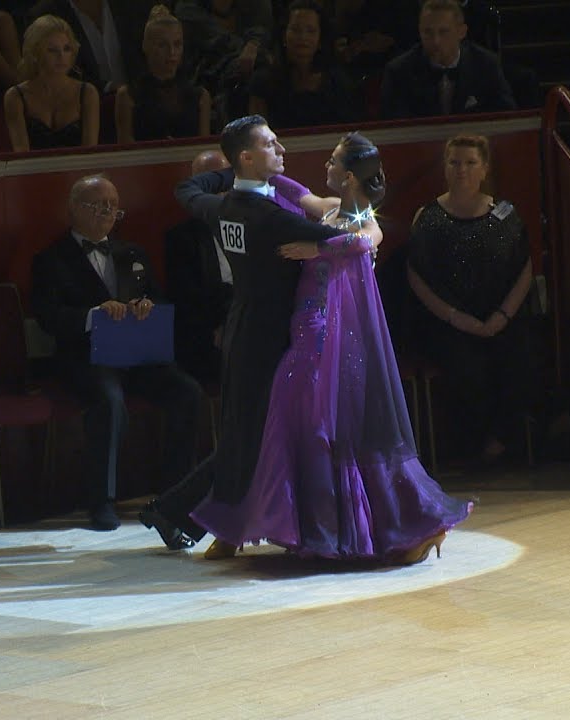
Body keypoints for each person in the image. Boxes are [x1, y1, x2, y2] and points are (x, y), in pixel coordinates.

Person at [192, 132, 472, 562]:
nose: (325, 166)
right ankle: (319, 528)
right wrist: (245, 167)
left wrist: (318, 247)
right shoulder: (325, 207)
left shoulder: (365, 220)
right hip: (306, 327)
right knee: (307, 421)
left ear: (349, 176)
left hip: (331, 334)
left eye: (333, 161)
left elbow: (367, 240)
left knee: (316, 420)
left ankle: (402, 525)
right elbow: (288, 189)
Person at [138, 114, 344, 552]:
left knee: (248, 436)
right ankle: (177, 511)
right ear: (248, 157)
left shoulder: (224, 207)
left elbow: (187, 189)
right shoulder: (269, 217)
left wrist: (237, 170)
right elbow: (344, 238)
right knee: (250, 439)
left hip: (244, 328)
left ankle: (179, 513)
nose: (282, 150)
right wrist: (366, 223)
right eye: (270, 144)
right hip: (268, 337)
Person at [31, 174, 204, 531]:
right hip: (88, 357)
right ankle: (101, 500)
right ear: (74, 209)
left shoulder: (132, 252)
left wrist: (146, 306)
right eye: (99, 206)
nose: (108, 213)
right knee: (109, 401)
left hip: (137, 354)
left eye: (113, 207)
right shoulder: (51, 259)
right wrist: (94, 315)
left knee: (187, 392)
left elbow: (160, 298)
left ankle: (176, 493)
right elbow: (49, 317)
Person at [407, 134, 539, 464]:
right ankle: (474, 445)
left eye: (470, 163)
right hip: (448, 322)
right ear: (445, 167)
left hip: (500, 317)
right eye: (454, 162)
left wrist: (502, 317)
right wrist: (457, 318)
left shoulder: (505, 213)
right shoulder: (428, 217)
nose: (461, 170)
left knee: (521, 356)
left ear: (485, 168)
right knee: (467, 368)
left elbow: (524, 268)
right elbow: (417, 276)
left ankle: (504, 440)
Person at [378, 0, 515, 119]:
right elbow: (393, 128)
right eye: (427, 32)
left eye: (443, 32)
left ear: (462, 32)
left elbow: (506, 117)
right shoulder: (398, 72)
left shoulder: (486, 65)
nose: (436, 41)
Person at [165, 150, 233, 386]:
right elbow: (187, 298)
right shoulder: (181, 238)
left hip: (248, 322)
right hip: (207, 332)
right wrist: (221, 325)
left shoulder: (252, 225)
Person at [246, 0, 360, 129]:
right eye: (295, 30)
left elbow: (348, 130)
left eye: (311, 31)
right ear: (284, 35)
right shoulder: (262, 81)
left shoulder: (338, 82)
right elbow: (257, 133)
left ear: (320, 39)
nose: (302, 37)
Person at [115, 5, 211, 143]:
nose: (172, 52)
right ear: (146, 46)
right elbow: (126, 149)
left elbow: (203, 148)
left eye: (177, 44)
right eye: (162, 45)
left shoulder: (200, 97)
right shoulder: (128, 96)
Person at [4, 14, 100, 151]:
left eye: (66, 49)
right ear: (35, 53)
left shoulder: (87, 93)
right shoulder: (16, 96)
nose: (61, 56)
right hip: (33, 165)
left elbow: (90, 151)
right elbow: (21, 153)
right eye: (52, 50)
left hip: (79, 165)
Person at [27, 0, 154, 91]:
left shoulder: (133, 4)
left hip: (142, 104)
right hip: (82, 109)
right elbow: (56, 74)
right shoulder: (46, 15)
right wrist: (109, 88)